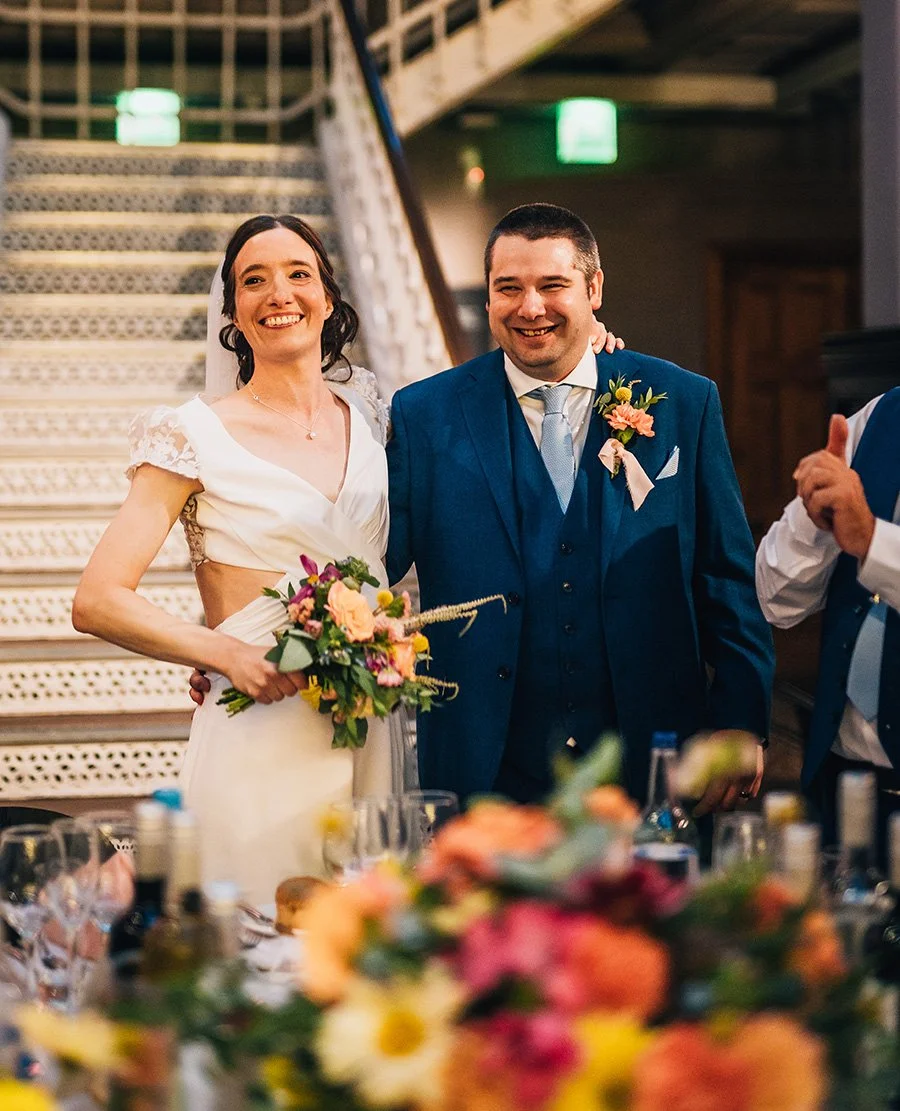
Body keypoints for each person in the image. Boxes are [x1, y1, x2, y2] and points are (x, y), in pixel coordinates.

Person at [386, 203, 774, 810]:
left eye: (553, 285)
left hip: (653, 756)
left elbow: (725, 578)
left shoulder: (682, 402)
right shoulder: (424, 415)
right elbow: (369, 565)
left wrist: (743, 716)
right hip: (486, 764)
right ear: (487, 299)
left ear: (594, 290)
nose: (530, 307)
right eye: (507, 288)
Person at [72, 214, 394, 905]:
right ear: (233, 312)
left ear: (328, 296)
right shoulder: (191, 435)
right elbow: (98, 598)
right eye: (254, 280)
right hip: (259, 730)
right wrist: (224, 651)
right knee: (251, 952)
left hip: (367, 726)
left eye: (298, 274)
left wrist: (600, 347)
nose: (279, 293)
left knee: (363, 963)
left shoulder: (369, 413)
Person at [756, 391, 900, 859]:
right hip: (846, 778)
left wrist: (874, 543)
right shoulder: (877, 419)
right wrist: (814, 525)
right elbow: (775, 598)